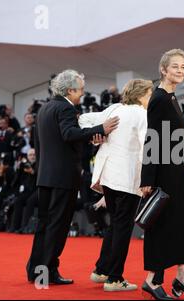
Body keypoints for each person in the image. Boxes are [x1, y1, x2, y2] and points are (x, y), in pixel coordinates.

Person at [26, 69, 119, 285]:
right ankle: (47, 273)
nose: (82, 94)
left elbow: (53, 141)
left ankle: (35, 271)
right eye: (81, 90)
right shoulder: (66, 108)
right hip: (63, 178)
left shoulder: (45, 109)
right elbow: (68, 134)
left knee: (44, 225)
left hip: (45, 176)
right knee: (57, 227)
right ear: (70, 90)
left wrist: (89, 137)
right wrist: (101, 128)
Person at [139, 49, 184, 300]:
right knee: (163, 226)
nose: (180, 71)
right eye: (175, 67)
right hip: (163, 173)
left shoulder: (171, 97)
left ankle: (182, 278)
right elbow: (151, 140)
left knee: (182, 224)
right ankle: (151, 280)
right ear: (163, 70)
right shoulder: (158, 98)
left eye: (183, 67)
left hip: (176, 171)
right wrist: (147, 179)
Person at [79, 79, 153, 292]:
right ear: (140, 96)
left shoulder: (115, 108)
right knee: (122, 227)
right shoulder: (141, 114)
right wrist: (148, 178)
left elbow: (84, 118)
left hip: (107, 175)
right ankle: (114, 278)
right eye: (149, 94)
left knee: (115, 224)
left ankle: (101, 270)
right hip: (127, 178)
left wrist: (97, 133)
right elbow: (144, 148)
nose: (151, 98)